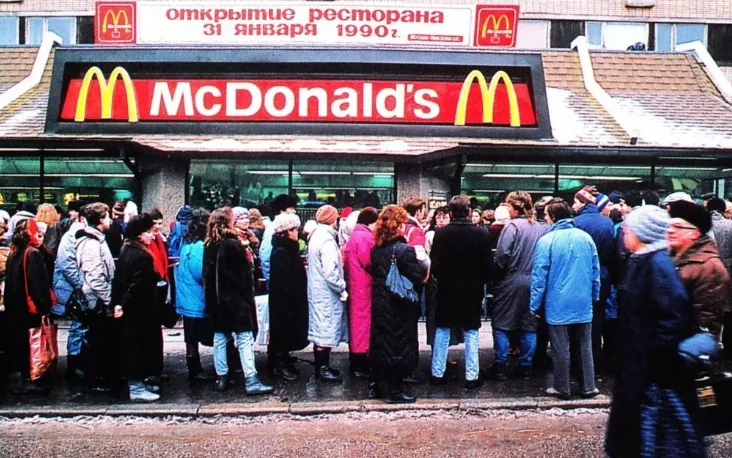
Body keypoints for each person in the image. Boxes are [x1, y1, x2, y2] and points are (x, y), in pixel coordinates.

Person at [606, 205, 704, 458]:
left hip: (647, 375)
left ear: (641, 233)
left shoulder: (656, 264)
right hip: (639, 369)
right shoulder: (645, 260)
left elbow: (671, 318)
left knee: (652, 439)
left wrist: (652, 364)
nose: (624, 233)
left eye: (628, 229)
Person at [530, 198, 600, 399]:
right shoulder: (586, 238)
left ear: (552, 217)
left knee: (560, 347)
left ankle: (562, 387)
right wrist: (594, 295)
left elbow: (539, 277)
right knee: (584, 345)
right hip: (582, 299)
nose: (545, 219)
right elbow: (595, 271)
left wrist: (534, 305)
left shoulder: (546, 241)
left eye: (546, 215)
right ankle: (588, 386)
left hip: (557, 301)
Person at [203, 208, 272, 395]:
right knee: (244, 338)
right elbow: (243, 278)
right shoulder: (233, 245)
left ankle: (222, 377)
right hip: (236, 301)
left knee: (220, 338)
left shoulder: (210, 244)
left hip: (217, 302)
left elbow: (207, 277)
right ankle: (251, 379)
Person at [430, 195, 491, 388]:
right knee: (472, 331)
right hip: (472, 289)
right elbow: (486, 265)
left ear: (451, 212)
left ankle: (437, 374)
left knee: (443, 329)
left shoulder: (441, 234)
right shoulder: (482, 233)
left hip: (447, 289)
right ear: (469, 211)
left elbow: (435, 265)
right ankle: (472, 376)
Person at [370, 205, 427, 403]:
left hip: (380, 301)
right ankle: (396, 390)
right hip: (399, 304)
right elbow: (417, 278)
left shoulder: (376, 249)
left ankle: (379, 386)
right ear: (398, 225)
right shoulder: (404, 250)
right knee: (400, 344)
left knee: (382, 343)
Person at [490, 191, 547, 380]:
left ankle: (500, 366)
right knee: (529, 326)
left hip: (511, 280)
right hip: (535, 281)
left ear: (513, 208)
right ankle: (525, 367)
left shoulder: (512, 226)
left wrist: (496, 276)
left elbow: (501, 256)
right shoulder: (541, 228)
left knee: (501, 324)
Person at [112, 214, 162, 402]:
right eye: (148, 232)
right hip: (139, 310)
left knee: (137, 346)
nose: (152, 235)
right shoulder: (140, 256)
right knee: (137, 347)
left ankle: (139, 382)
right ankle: (136, 387)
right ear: (140, 235)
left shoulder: (127, 250)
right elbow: (136, 284)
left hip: (135, 309)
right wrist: (123, 304)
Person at [2, 219, 53, 394]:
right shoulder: (33, 253)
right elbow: (37, 283)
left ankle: (26, 377)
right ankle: (33, 377)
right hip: (31, 306)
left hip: (16, 306)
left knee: (23, 342)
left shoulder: (14, 252)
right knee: (34, 343)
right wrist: (44, 306)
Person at [667, 200, 727, 342]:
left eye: (678, 227)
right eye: (668, 225)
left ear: (695, 233)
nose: (670, 230)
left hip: (686, 347)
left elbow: (707, 318)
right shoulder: (671, 257)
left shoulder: (708, 267)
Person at [572, 186, 616, 372]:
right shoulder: (606, 223)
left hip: (580, 274)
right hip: (603, 274)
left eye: (575, 202)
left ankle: (578, 362)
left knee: (578, 319)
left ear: (583, 202)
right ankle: (594, 360)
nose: (572, 205)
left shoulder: (576, 223)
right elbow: (611, 253)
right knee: (597, 318)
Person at [74, 203, 116, 393]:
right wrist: (108, 298)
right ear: (100, 220)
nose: (110, 220)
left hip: (97, 297)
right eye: (107, 216)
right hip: (95, 299)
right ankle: (95, 378)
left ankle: (98, 375)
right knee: (97, 339)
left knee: (100, 339)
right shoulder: (91, 243)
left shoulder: (97, 239)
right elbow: (94, 276)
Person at [307, 205, 348, 383]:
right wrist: (341, 287)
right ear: (333, 219)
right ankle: (322, 369)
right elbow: (331, 272)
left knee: (321, 329)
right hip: (327, 294)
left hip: (318, 291)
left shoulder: (316, 236)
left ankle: (322, 367)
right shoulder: (327, 241)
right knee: (325, 329)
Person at [174, 208, 215, 383]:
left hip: (186, 296)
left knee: (190, 336)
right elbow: (200, 272)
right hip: (196, 298)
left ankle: (194, 367)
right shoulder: (199, 246)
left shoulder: (187, 242)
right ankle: (195, 370)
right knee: (194, 335)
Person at [268, 213, 309, 381]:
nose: (296, 232)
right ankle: (279, 364)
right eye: (293, 229)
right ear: (285, 231)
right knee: (281, 332)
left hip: (289, 300)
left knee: (285, 332)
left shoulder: (287, 249)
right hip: (284, 302)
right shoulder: (282, 251)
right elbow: (283, 281)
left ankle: (282, 360)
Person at [343, 207, 379, 378]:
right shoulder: (365, 237)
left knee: (357, 325)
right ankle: (360, 364)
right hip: (364, 287)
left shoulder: (355, 235)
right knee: (362, 326)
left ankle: (357, 361)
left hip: (356, 285)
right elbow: (369, 261)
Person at [53, 211, 88, 380]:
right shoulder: (71, 237)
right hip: (72, 290)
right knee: (78, 326)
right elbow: (67, 265)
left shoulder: (78, 234)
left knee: (80, 325)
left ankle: (77, 363)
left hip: (73, 288)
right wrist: (82, 284)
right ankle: (74, 365)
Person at [706, 197, 732, 361]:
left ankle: (710, 349)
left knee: (709, 311)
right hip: (729, 273)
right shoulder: (730, 225)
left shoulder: (701, 226)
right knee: (729, 312)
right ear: (724, 210)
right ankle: (728, 352)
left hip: (707, 272)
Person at [260, 195, 297, 286]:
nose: (294, 211)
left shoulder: (286, 228)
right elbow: (265, 255)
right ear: (282, 210)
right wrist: (270, 278)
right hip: (278, 281)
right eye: (291, 208)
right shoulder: (273, 229)